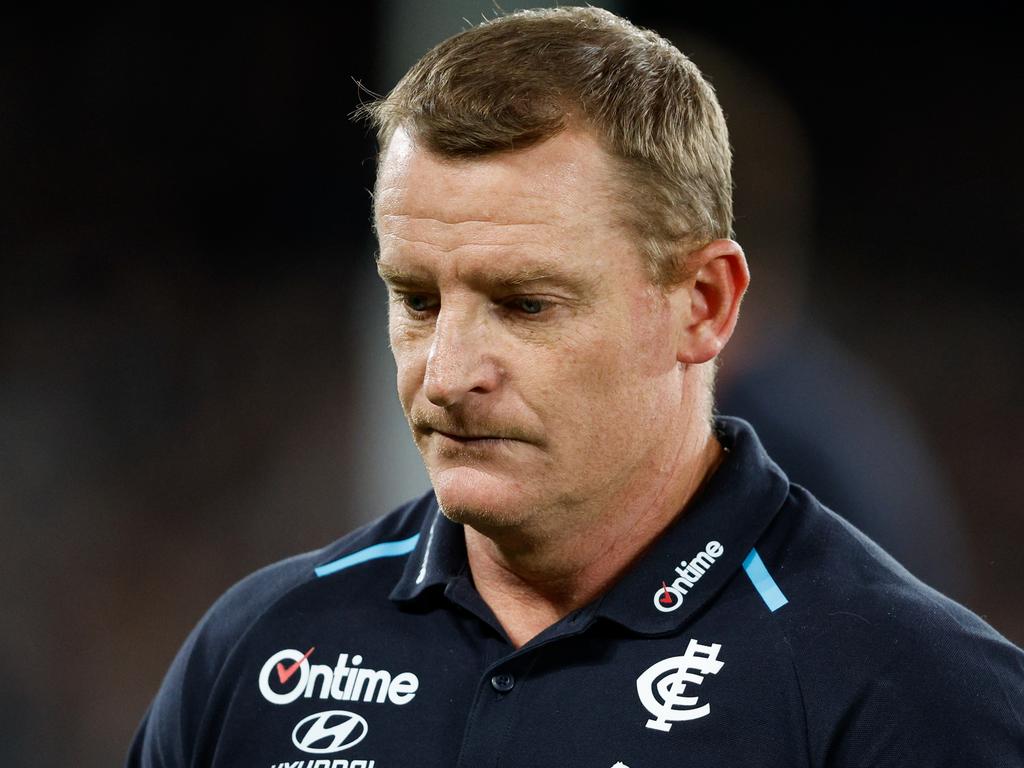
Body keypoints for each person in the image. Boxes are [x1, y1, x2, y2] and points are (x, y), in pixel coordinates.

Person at [127, 8, 1024, 766]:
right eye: (416, 299)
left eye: (524, 304)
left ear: (703, 305)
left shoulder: (909, 696)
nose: (445, 377)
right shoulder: (256, 652)